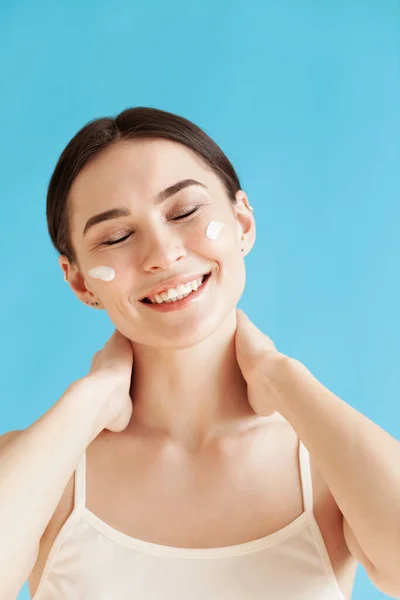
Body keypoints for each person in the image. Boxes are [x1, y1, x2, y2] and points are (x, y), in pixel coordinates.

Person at [0, 107, 394, 600]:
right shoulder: (38, 465)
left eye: (184, 211)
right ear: (80, 280)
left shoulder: (330, 462)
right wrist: (91, 399)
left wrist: (282, 379)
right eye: (117, 236)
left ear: (242, 221)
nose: (162, 254)